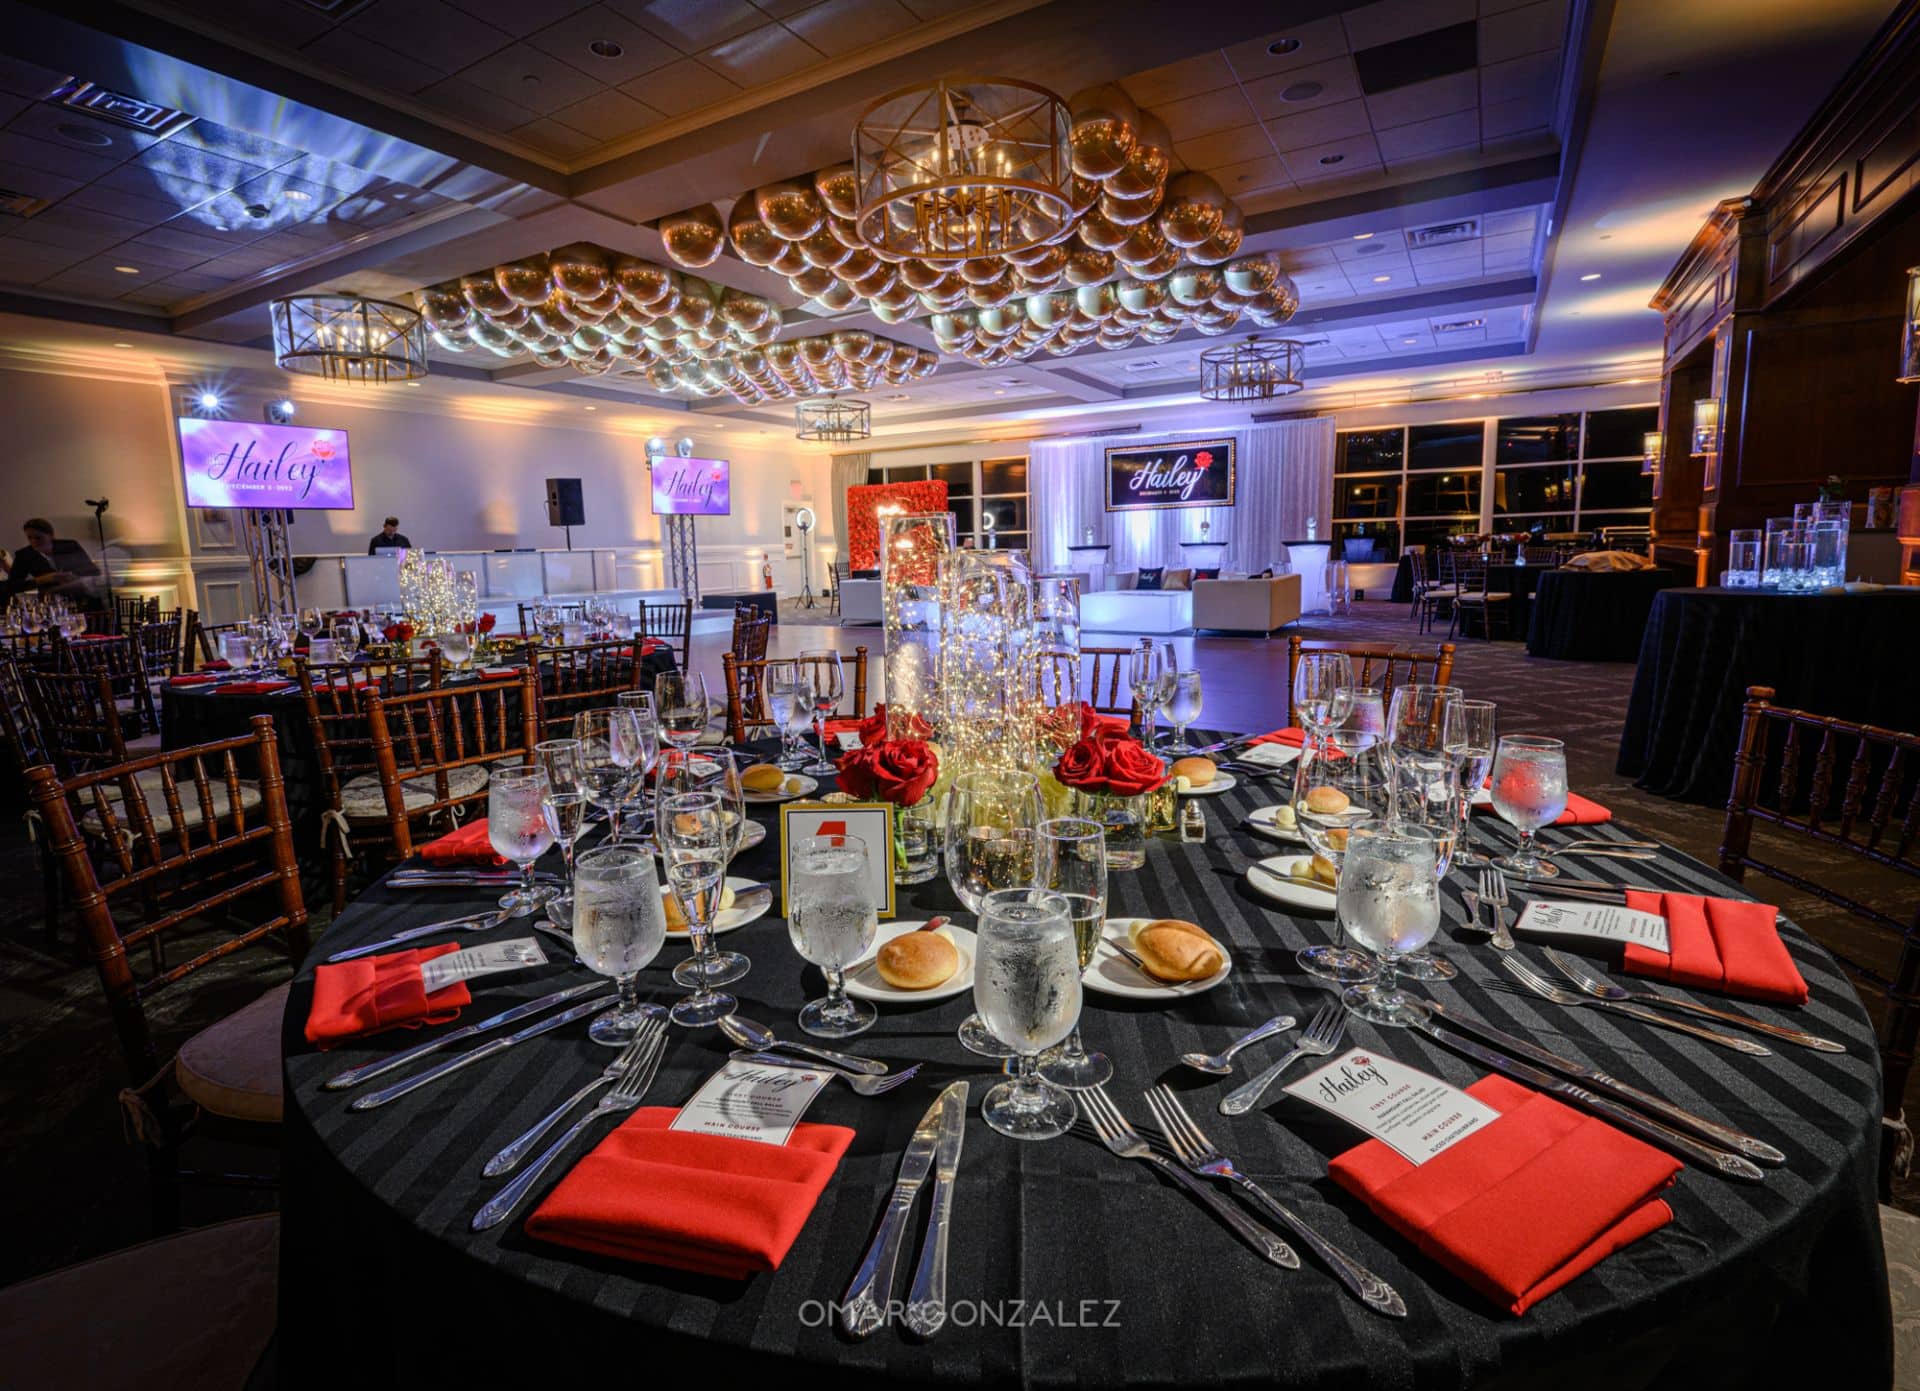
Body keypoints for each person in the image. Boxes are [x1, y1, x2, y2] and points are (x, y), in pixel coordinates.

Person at [5, 518, 98, 601]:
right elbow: (12, 586)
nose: (33, 541)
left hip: (80, 597)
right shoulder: (24, 555)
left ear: (51, 535)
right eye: (29, 538)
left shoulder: (70, 546)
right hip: (49, 601)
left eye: (38, 537)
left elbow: (93, 572)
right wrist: (42, 579)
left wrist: (75, 577)